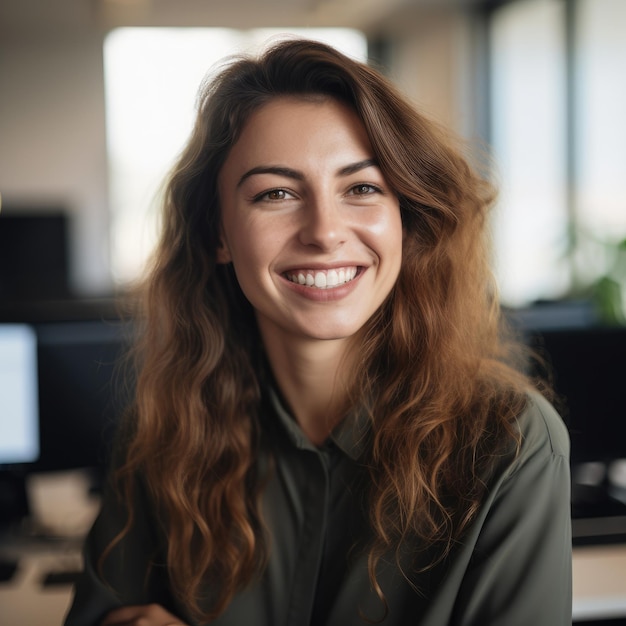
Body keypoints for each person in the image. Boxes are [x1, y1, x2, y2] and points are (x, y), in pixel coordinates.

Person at [64, 38, 572, 626]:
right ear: (219, 234)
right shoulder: (169, 429)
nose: (325, 231)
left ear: (404, 217)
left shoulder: (509, 443)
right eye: (275, 193)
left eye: (362, 188)